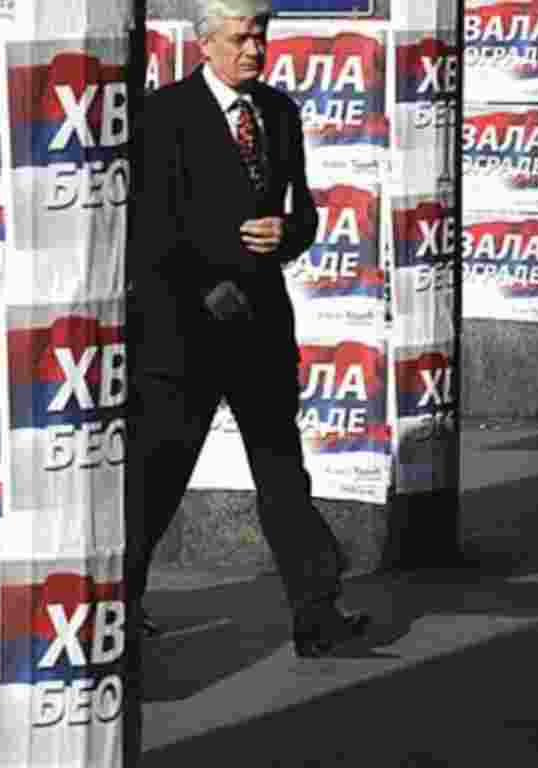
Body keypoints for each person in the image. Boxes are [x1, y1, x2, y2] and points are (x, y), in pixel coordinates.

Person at [127, 0, 370, 660]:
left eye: (260, 36)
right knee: (155, 481)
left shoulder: (280, 114)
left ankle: (317, 614)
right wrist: (207, 288)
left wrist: (289, 233)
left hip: (260, 331)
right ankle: (119, 605)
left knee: (282, 475)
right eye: (239, 38)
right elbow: (149, 229)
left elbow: (307, 215)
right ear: (205, 44)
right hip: (181, 336)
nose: (253, 49)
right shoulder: (164, 116)